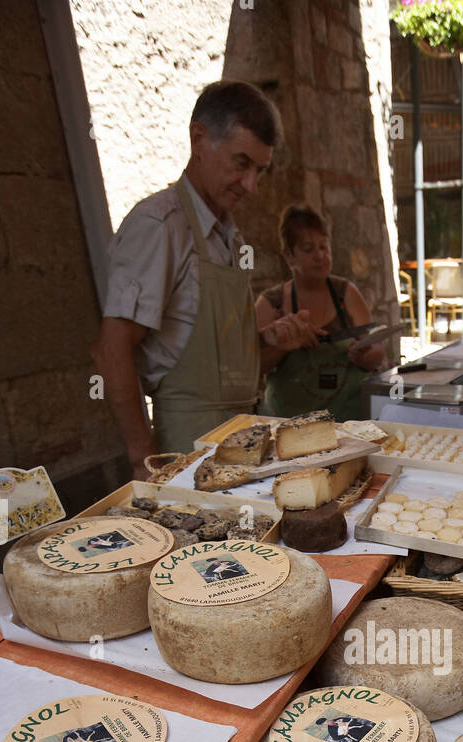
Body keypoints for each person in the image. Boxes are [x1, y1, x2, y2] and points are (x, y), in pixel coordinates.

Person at [93, 82, 321, 477]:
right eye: (241, 163)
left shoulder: (230, 238)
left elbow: (231, 370)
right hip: (185, 448)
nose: (251, 185)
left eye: (260, 171)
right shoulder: (159, 225)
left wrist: (272, 343)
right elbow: (111, 350)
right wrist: (144, 463)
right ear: (199, 139)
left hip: (243, 441)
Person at [255, 205, 386, 420]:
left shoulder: (346, 294)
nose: (319, 256)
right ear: (288, 255)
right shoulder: (271, 304)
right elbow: (250, 371)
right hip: (291, 427)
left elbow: (378, 351)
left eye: (324, 247)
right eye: (308, 249)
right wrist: (282, 345)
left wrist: (366, 356)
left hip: (349, 424)